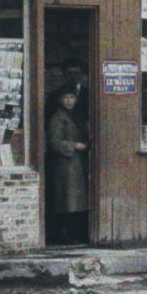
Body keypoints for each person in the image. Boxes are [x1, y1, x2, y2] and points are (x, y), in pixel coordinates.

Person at [45, 85, 90, 244]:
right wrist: (74, 146)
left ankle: (74, 233)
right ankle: (64, 235)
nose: (69, 101)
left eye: (72, 98)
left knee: (74, 200)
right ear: (60, 100)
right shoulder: (58, 118)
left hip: (76, 164)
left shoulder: (75, 116)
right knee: (65, 200)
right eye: (66, 98)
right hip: (65, 165)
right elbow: (54, 142)